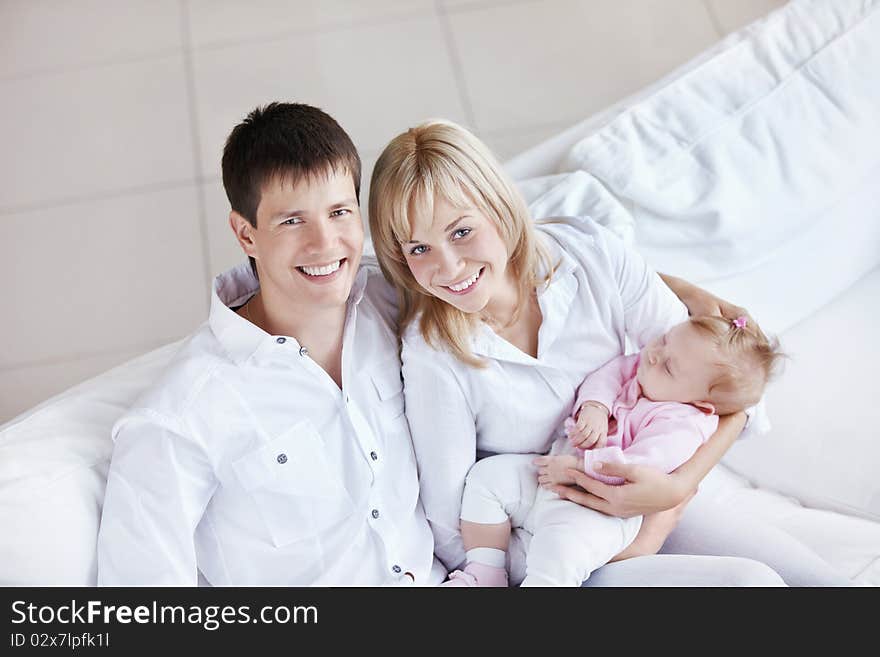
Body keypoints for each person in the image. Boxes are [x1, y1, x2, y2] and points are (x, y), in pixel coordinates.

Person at [368, 118, 849, 586]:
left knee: (824, 584)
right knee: (751, 583)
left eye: (460, 232)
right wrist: (621, 546)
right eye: (418, 249)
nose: (449, 268)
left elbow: (733, 392)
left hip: (649, 486)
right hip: (555, 544)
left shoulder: (589, 253)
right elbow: (454, 528)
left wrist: (676, 491)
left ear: (497, 208)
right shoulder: (434, 355)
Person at [96, 103, 443, 586]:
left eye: (339, 212)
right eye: (292, 221)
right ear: (246, 234)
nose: (326, 243)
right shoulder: (180, 417)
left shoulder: (390, 299)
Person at [444, 315, 784, 586]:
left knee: (560, 552)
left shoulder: (683, 425)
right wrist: (594, 405)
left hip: (600, 509)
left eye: (669, 366)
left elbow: (638, 466)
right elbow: (608, 376)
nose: (653, 354)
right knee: (487, 478)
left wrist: (579, 468)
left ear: (700, 402)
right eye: (665, 340)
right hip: (550, 474)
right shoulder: (643, 367)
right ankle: (485, 572)